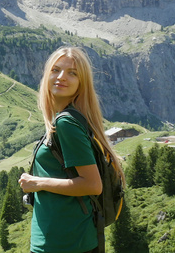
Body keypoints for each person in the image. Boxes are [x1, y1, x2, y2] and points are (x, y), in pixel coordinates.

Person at [18, 46, 125, 253]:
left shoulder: (66, 123)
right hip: (68, 239)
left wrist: (37, 182)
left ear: (81, 83)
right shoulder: (73, 118)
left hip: (63, 243)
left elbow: (92, 185)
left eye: (72, 73)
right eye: (55, 70)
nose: (61, 77)